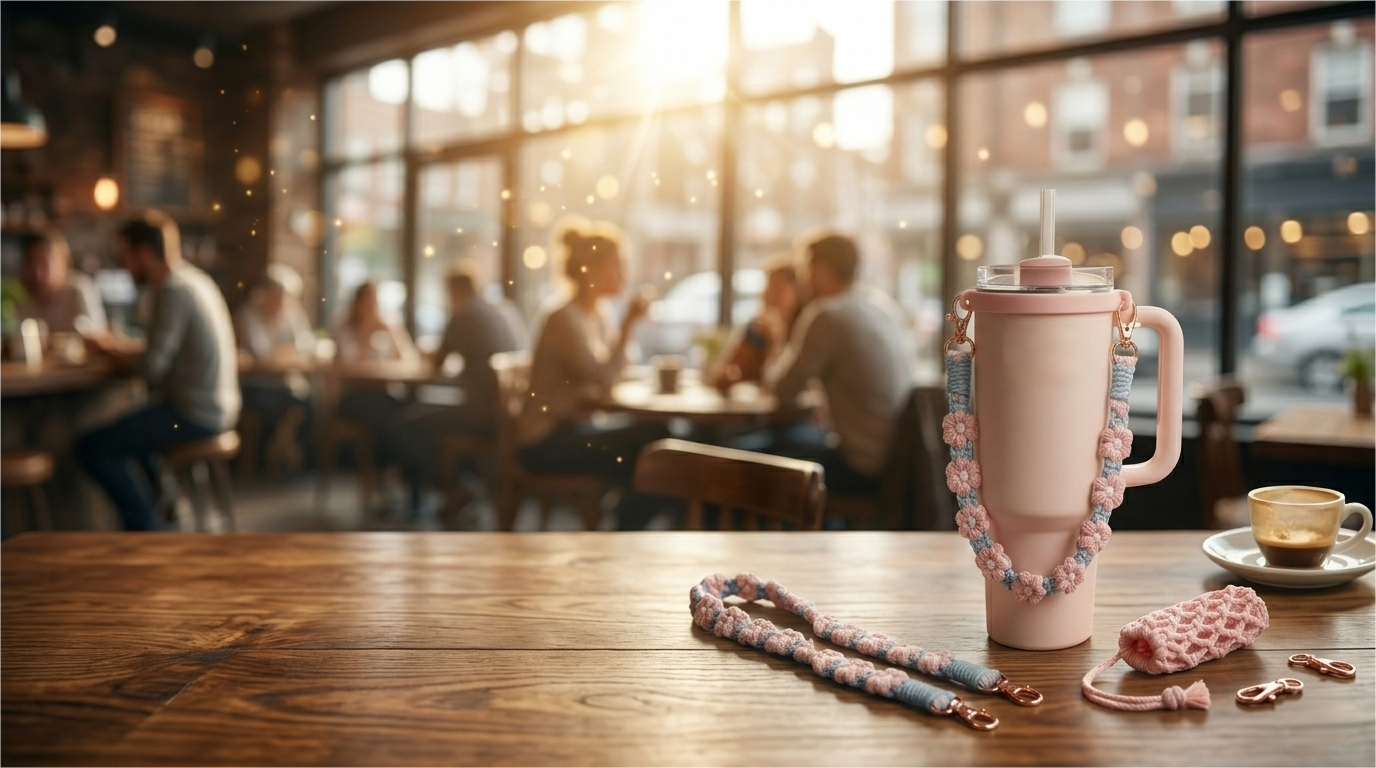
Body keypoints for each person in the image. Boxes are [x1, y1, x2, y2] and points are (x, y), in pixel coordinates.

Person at [76, 212, 240, 531]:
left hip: (193, 414)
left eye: (125, 255)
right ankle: (167, 504)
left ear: (144, 253)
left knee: (92, 447)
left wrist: (110, 350)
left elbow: (152, 368)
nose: (123, 267)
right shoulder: (194, 279)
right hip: (217, 407)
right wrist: (123, 348)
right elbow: (165, 352)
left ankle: (143, 526)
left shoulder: (172, 290)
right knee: (135, 427)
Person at [517, 222, 669, 525]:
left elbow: (613, 373)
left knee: (659, 441)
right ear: (591, 269)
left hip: (572, 430)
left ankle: (624, 520)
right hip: (544, 441)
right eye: (617, 265)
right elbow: (601, 376)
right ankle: (625, 525)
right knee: (654, 449)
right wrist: (627, 325)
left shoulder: (597, 313)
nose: (624, 275)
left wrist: (624, 329)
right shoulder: (563, 317)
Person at [761, 232, 914, 497]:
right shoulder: (880, 308)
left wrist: (774, 342)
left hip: (860, 466)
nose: (801, 281)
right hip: (899, 465)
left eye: (803, 270)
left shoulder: (826, 315)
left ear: (819, 270)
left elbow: (782, 391)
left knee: (753, 459)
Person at [399, 259, 525, 490]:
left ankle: (452, 489)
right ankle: (461, 486)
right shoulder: (499, 310)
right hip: (506, 414)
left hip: (481, 414)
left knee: (409, 423)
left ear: (453, 290)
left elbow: (438, 362)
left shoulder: (465, 314)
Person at [330, 281, 423, 490]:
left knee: (409, 412)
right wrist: (365, 332)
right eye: (368, 300)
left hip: (382, 393)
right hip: (352, 396)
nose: (372, 306)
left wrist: (394, 333)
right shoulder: (343, 329)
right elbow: (350, 368)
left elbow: (409, 361)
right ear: (357, 302)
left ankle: (399, 477)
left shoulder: (388, 325)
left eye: (376, 300)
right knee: (390, 417)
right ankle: (394, 475)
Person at [235, 264, 315, 473]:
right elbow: (259, 355)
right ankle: (269, 462)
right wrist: (283, 355)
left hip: (283, 383)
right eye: (277, 294)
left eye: (285, 296)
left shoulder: (292, 315)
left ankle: (285, 458)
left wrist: (281, 355)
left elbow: (305, 347)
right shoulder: (248, 315)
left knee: (307, 403)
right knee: (270, 407)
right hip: (255, 384)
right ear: (264, 293)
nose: (281, 300)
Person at [711, 254, 801, 390]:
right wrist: (730, 374)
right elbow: (723, 372)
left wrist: (775, 344)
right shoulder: (757, 328)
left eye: (777, 290)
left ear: (796, 293)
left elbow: (787, 383)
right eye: (767, 288)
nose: (769, 296)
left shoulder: (805, 328)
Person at [17, 229, 107, 334]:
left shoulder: (78, 289)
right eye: (31, 262)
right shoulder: (20, 297)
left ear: (62, 261)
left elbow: (98, 335)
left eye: (44, 263)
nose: (37, 272)